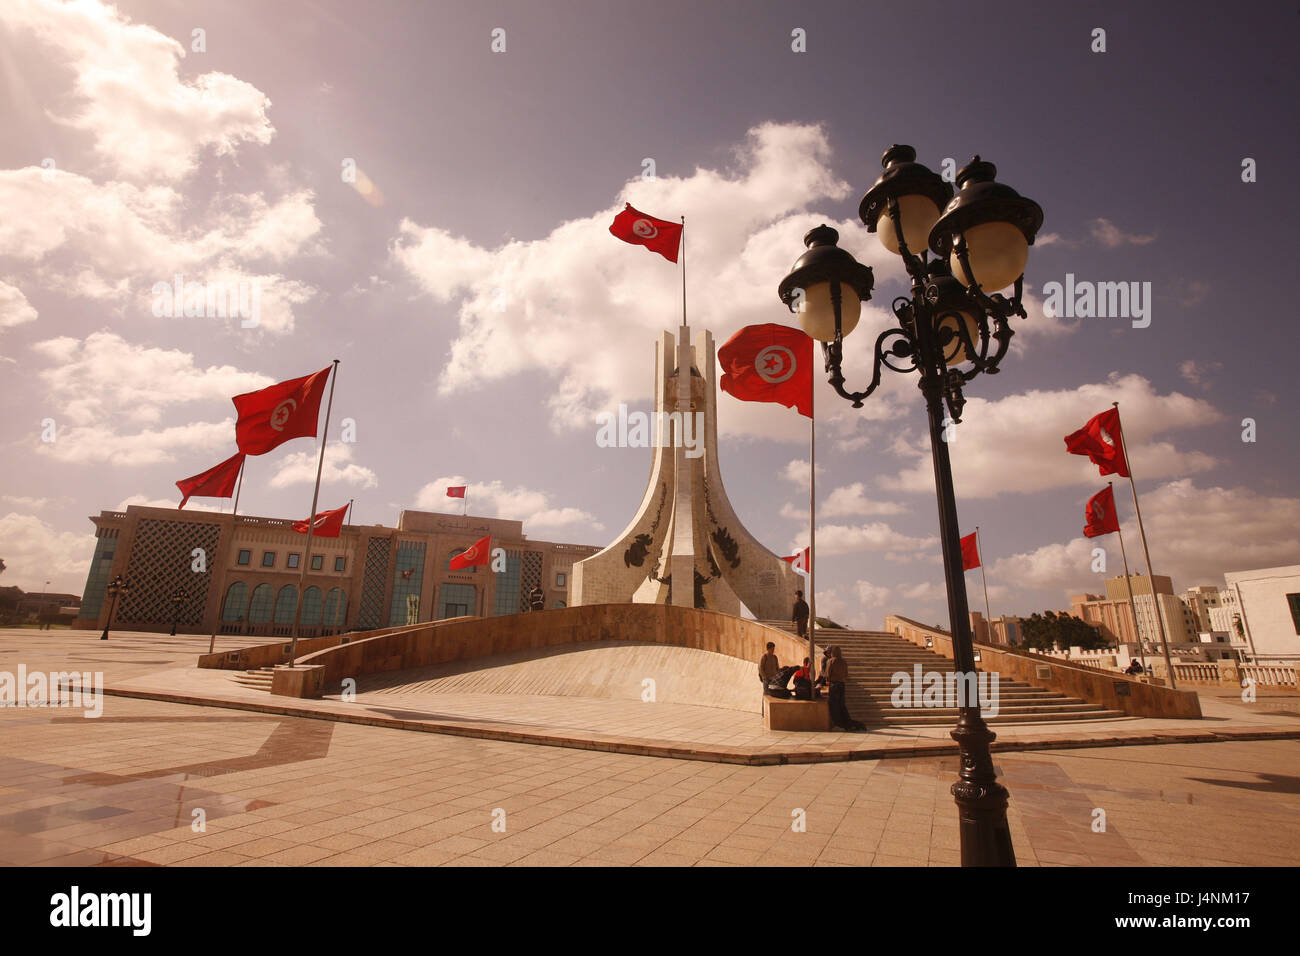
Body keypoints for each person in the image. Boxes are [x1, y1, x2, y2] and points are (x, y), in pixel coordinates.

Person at [825, 645, 864, 731]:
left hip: (834, 685)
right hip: (842, 685)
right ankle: (848, 723)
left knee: (834, 706)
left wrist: (828, 680)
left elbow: (827, 674)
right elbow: (846, 674)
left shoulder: (831, 661)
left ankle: (838, 724)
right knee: (842, 705)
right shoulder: (844, 662)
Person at [758, 642, 779, 717]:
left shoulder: (774, 657)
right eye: (772, 649)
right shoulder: (764, 657)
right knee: (766, 695)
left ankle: (771, 714)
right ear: (768, 649)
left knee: (772, 695)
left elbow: (777, 668)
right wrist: (764, 677)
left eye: (774, 649)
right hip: (766, 680)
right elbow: (760, 668)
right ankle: (764, 713)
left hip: (773, 680)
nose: (773, 650)